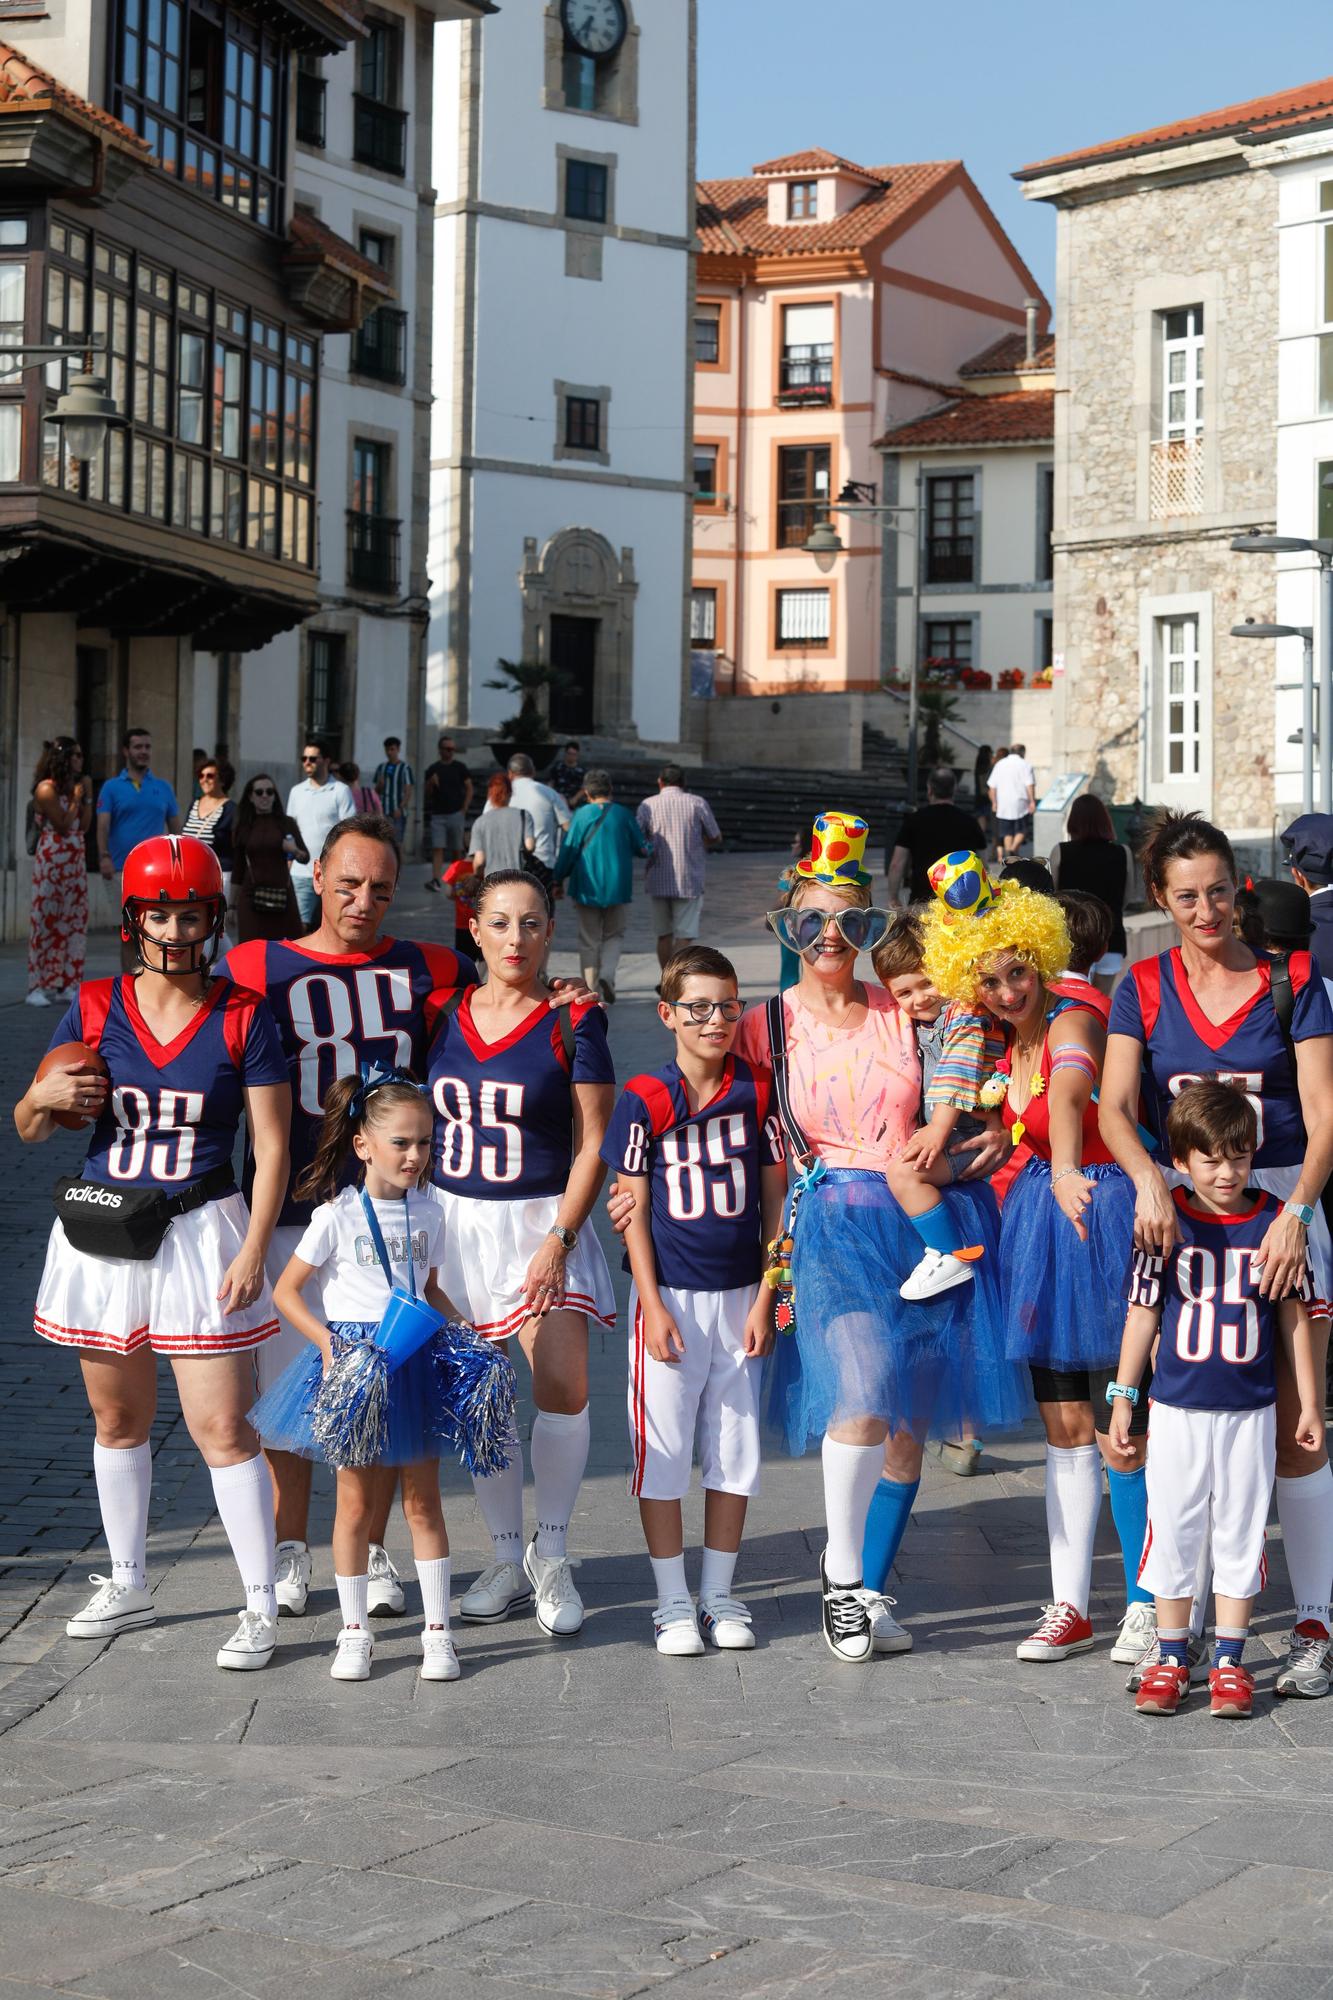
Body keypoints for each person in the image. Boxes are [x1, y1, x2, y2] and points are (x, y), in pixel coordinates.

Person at [733, 814, 1022, 1662]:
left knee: (906, 1429)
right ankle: (843, 1581)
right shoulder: (765, 1026)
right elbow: (746, 1144)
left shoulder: (906, 1013)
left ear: (867, 931)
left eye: (850, 923)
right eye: (812, 922)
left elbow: (983, 1081)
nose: (831, 938)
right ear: (789, 925)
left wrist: (999, 1134)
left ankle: (870, 1585)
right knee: (860, 1392)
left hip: (923, 1225)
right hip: (830, 1230)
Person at [15, 835, 291, 1671]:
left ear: (213, 917)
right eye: (161, 911)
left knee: (222, 1426)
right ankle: (130, 1579)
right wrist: (40, 1095)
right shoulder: (94, 1006)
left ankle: (258, 1601)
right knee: (116, 1418)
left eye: (192, 911)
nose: (177, 927)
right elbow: (29, 1128)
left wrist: (251, 1249)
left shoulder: (244, 1012)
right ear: (135, 917)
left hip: (202, 1228)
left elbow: (271, 1147)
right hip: (105, 1230)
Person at [1099, 809, 1333, 1698]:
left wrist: (1298, 1213)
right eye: (1187, 896)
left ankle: (1311, 1621)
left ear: (1240, 890)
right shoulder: (1145, 985)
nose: (1208, 911)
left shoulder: (1293, 981)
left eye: (1220, 892)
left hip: (1278, 1203)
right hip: (1179, 1215)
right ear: (1159, 897)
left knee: (1291, 1422)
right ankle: (1178, 1625)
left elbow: (1321, 1113)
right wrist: (1150, 1182)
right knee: (1184, 1406)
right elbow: (1117, 1107)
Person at [218, 816, 477, 1620]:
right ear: (318, 875)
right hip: (297, 1206)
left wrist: (569, 998)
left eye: (380, 888)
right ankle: (292, 1549)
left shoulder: (426, 964)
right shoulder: (256, 963)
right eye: (348, 882)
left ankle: (368, 1550)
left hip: (391, 1217)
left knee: (385, 1399)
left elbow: (504, 992)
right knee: (297, 1401)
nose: (362, 900)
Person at [921, 861, 1152, 1668]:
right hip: (1042, 1221)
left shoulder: (1071, 1017)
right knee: (1064, 1425)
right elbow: (1026, 1110)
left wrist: (1055, 1163)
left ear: (1042, 957)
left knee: (1123, 1423)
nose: (1006, 990)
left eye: (1017, 970)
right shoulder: (1000, 1039)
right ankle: (1068, 1606)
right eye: (986, 979)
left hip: (1097, 1211)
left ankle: (1150, 1603)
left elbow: (1071, 1090)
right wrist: (1004, 1140)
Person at [427, 870, 616, 1639]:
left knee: (561, 1386)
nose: (515, 939)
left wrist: (561, 1238)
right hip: (452, 1226)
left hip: (541, 1222)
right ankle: (505, 1557)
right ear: (473, 928)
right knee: (481, 1397)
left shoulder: (574, 1018)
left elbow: (595, 1140)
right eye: (500, 923)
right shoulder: (436, 1012)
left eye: (531, 924)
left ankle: (554, 1551)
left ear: (549, 931)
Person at [249, 1069, 474, 1684]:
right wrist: (324, 1343)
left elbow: (429, 1289)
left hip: (415, 1362)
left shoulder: (433, 1210)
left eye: (425, 1142)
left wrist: (465, 1334)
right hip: (355, 1362)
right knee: (352, 1502)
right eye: (401, 1142)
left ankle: (437, 1634)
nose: (415, 1155)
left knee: (422, 1500)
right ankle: (354, 1632)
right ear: (363, 1146)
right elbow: (288, 1292)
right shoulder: (335, 1216)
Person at [1113, 1082, 1324, 1718]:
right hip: (1176, 1407)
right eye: (1210, 1159)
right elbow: (1142, 1310)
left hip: (1251, 1409)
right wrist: (1125, 1395)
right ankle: (1174, 1654)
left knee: (1239, 1529)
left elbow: (1295, 1318)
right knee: (1174, 1526)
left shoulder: (1276, 1221)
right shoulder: (1163, 1219)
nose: (1226, 1172)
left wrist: (1309, 1402)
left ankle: (1229, 1659)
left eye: (1238, 1157)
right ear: (1180, 1160)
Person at [600, 946, 787, 1656]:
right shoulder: (644, 1096)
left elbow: (777, 1204)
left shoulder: (760, 1089)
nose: (715, 1020)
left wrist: (770, 1296)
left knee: (734, 1449)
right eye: (699, 1007)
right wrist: (649, 1302)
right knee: (665, 1450)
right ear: (668, 1014)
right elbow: (633, 1207)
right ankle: (671, 1600)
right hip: (673, 1296)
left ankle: (719, 1592)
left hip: (740, 1292)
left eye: (728, 1005)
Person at [874, 907, 1007, 1304]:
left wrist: (937, 1129)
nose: (918, 999)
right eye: (903, 993)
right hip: (954, 1129)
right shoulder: (926, 1022)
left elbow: (958, 1071)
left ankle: (948, 1252)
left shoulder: (964, 1015)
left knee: (904, 1174)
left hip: (967, 1133)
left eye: (927, 983)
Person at [553, 768, 653, 1003]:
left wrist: (558, 878)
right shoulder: (623, 814)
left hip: (586, 886)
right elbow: (643, 848)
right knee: (614, 934)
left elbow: (569, 850)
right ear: (611, 790)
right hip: (618, 886)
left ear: (586, 792)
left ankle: (590, 987)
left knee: (589, 939)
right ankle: (608, 973)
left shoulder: (580, 815)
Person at [97, 727, 182, 972]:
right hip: (122, 871)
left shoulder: (164, 787)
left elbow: (176, 829)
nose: (143, 752)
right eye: (138, 747)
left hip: (157, 873)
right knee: (128, 931)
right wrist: (103, 856)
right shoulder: (111, 787)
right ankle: (129, 985)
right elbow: (103, 825)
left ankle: (154, 980)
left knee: (156, 930)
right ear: (126, 751)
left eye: (147, 747)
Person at [637, 765, 723, 973]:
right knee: (684, 934)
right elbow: (715, 835)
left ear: (660, 782)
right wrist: (697, 842)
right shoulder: (696, 803)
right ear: (683, 782)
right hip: (689, 877)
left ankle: (664, 977)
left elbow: (637, 838)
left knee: (663, 934)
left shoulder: (647, 805)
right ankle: (672, 979)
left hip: (658, 877)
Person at [27, 736, 91, 1007]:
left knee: (75, 921)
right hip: (52, 860)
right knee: (46, 922)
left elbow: (84, 826)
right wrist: (77, 799)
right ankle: (36, 986)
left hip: (75, 859)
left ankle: (69, 983)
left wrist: (85, 798)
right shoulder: (46, 789)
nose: (80, 759)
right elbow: (63, 824)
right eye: (75, 755)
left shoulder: (75, 789)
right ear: (63, 759)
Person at [1049, 794, 1132, 993]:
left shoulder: (1061, 851)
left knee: (1069, 1000)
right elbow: (1127, 898)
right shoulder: (1122, 852)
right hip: (1110, 936)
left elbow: (1052, 895)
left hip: (1070, 937)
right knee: (1100, 1002)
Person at [885, 768, 985, 907]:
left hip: (922, 902)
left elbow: (897, 864)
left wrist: (893, 898)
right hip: (961, 904)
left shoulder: (914, 820)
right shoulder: (970, 822)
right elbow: (982, 864)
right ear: (954, 789)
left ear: (929, 789)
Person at [229, 775, 308, 944]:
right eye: (259, 792)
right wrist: (231, 906)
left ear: (274, 796)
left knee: (289, 948)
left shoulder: (287, 823)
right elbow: (238, 869)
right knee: (252, 950)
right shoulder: (244, 826)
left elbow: (304, 857)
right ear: (251, 797)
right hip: (251, 896)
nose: (265, 796)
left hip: (282, 895)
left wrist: (292, 849)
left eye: (269, 792)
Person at [286, 741, 354, 929]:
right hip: (300, 873)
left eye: (313, 758)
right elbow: (290, 833)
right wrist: (289, 863)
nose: (307, 762)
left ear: (326, 761)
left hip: (331, 874)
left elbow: (348, 832)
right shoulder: (296, 792)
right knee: (300, 927)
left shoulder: (340, 791)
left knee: (331, 927)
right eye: (304, 758)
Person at [424, 736, 473, 888]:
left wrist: (464, 808)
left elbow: (469, 787)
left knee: (457, 849)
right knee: (437, 848)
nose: (450, 752)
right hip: (438, 814)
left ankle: (456, 879)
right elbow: (427, 793)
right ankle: (436, 880)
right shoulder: (433, 769)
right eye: (447, 749)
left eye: (453, 749)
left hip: (455, 813)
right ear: (440, 750)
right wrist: (431, 784)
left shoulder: (460, 767)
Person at [182, 760, 236, 899]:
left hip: (219, 875)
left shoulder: (231, 809)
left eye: (210, 776)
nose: (204, 780)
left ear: (222, 780)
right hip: (191, 874)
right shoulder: (194, 803)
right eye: (201, 776)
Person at [506, 753, 570, 870]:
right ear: (533, 772)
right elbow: (568, 826)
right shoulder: (549, 793)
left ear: (510, 774)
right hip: (542, 863)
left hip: (507, 863)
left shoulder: (499, 795)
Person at [471, 771, 535, 878]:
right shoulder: (524, 815)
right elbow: (530, 846)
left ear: (490, 795)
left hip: (493, 882)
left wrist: (476, 875)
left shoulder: (480, 822)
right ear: (510, 793)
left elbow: (480, 861)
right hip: (518, 880)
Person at [988, 743, 1035, 864]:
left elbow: (992, 786)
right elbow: (1029, 784)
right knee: (1022, 830)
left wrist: (994, 802)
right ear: (1023, 753)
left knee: (1007, 831)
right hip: (1020, 802)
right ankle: (1013, 849)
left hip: (1003, 802)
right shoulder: (1025, 765)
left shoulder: (1000, 764)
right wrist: (1032, 801)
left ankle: (1009, 856)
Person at [373, 737, 414, 846]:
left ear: (398, 749)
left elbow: (408, 791)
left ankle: (398, 863)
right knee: (382, 842)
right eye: (387, 750)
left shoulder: (405, 768)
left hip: (398, 812)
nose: (389, 752)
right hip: (382, 811)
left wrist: (400, 808)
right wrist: (379, 785)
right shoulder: (381, 767)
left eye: (392, 749)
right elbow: (376, 792)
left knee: (397, 843)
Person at [548, 742, 586, 807]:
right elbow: (551, 783)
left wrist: (575, 798)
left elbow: (584, 788)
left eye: (574, 754)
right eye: (569, 753)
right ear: (565, 753)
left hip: (574, 802)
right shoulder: (557, 767)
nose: (571, 756)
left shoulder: (582, 770)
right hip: (558, 801)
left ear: (577, 754)